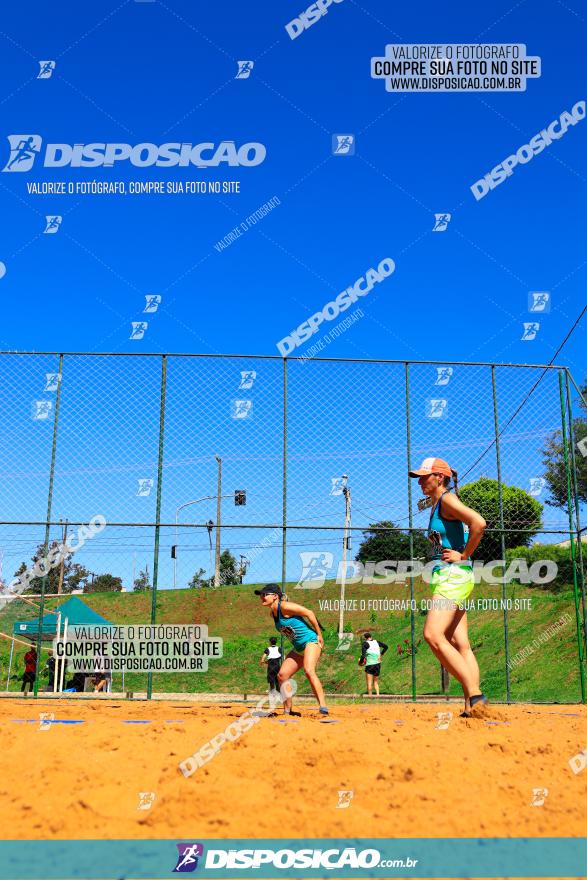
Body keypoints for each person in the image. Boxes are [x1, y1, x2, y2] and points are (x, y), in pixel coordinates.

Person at [409, 457, 488, 717]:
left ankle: (475, 693)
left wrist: (463, 555)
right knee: (460, 642)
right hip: (453, 576)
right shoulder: (437, 505)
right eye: (419, 476)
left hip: (454, 574)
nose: (420, 481)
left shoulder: (447, 500)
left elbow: (479, 523)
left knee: (433, 635)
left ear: (439, 478)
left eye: (424, 476)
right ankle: (471, 707)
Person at [254, 583, 328, 716]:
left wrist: (319, 634)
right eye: (261, 595)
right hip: (299, 647)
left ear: (275, 596)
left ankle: (323, 707)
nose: (262, 597)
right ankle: (288, 710)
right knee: (282, 676)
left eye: (265, 594)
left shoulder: (284, 606)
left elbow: (309, 613)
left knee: (309, 670)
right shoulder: (273, 614)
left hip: (311, 641)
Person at [358, 632, 388, 696]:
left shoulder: (365, 644)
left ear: (365, 638)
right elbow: (386, 647)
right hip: (377, 664)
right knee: (376, 682)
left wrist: (360, 663)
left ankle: (370, 696)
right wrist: (381, 654)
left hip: (370, 665)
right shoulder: (376, 642)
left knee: (369, 682)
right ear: (371, 636)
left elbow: (363, 656)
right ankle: (378, 695)